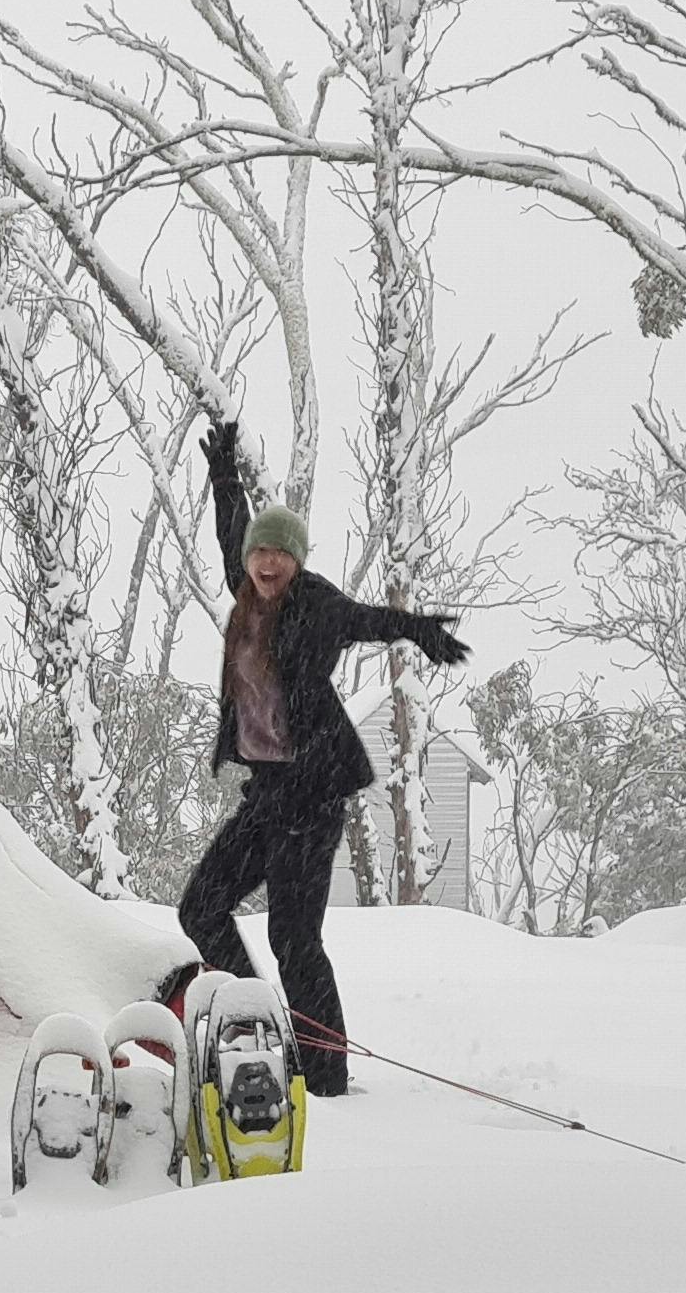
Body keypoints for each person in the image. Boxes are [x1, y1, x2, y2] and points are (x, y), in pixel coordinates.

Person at [172, 419, 470, 1097]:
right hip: (266, 792)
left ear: (298, 561)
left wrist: (417, 630)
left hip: (311, 800)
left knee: (294, 940)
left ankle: (327, 1078)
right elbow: (231, 534)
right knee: (201, 908)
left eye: (282, 554)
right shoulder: (246, 592)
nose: (268, 563)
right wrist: (224, 473)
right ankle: (263, 1025)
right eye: (261, 554)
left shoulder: (313, 602)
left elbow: (366, 619)